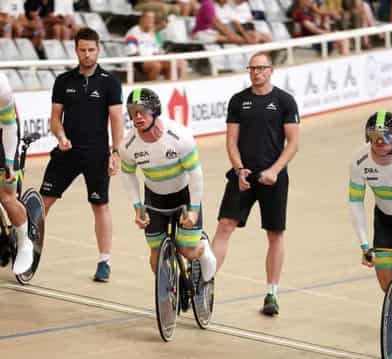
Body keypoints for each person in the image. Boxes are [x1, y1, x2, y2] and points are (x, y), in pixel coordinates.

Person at [211, 51, 300, 316]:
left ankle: (272, 292)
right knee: (225, 225)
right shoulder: (239, 101)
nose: (256, 72)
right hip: (243, 175)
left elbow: (293, 142)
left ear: (271, 70)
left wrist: (275, 170)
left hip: (273, 178)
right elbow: (231, 140)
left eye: (261, 68)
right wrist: (239, 170)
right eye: (252, 68)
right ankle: (205, 281)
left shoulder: (285, 101)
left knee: (275, 234)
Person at [39, 27, 123, 282]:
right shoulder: (63, 81)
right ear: (75, 50)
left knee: (100, 205)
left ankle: (104, 262)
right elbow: (55, 119)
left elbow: (117, 120)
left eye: (91, 50)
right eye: (82, 50)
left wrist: (115, 152)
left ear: (99, 49)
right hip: (67, 151)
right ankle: (28, 249)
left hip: (97, 154)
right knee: (42, 202)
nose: (87, 55)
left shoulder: (110, 82)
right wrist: (61, 137)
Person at [119, 88, 216, 307]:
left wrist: (193, 210)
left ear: (155, 112)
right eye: (133, 112)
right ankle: (170, 287)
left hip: (184, 195)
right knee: (155, 253)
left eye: (142, 111)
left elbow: (196, 175)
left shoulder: (179, 136)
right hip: (155, 197)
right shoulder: (127, 145)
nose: (138, 117)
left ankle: (204, 250)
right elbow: (127, 174)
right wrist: (137, 207)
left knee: (187, 250)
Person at [349, 111, 392, 292]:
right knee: (388, 288)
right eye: (374, 136)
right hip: (385, 222)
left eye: (385, 137)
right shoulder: (359, 161)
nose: (379, 142)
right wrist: (364, 244)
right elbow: (355, 201)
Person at [0, 72, 34, 275]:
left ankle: (24, 242)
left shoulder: (1, 85)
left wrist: (9, 164)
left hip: (4, 130)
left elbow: (9, 126)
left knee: (6, 194)